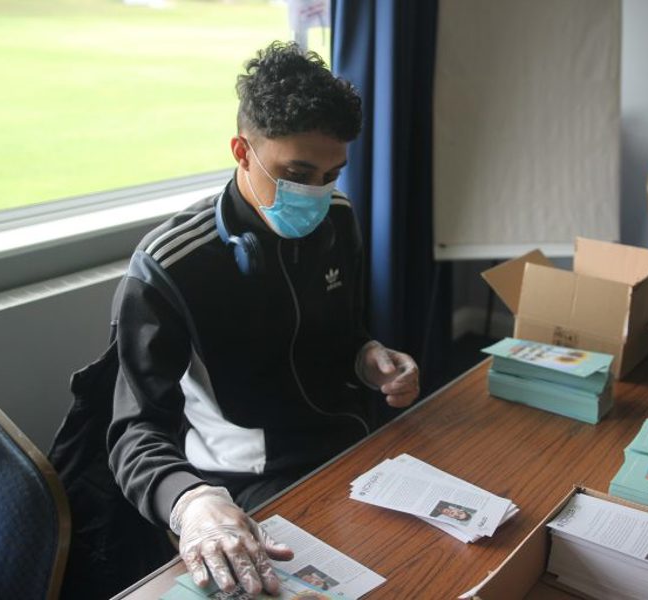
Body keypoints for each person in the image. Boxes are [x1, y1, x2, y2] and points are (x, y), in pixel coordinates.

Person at [105, 41, 420, 596]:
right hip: (247, 482)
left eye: (331, 174)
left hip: (352, 443)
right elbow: (135, 430)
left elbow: (346, 335)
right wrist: (191, 502)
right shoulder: (170, 265)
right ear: (241, 151)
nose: (316, 194)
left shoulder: (338, 219)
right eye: (297, 172)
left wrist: (369, 358)